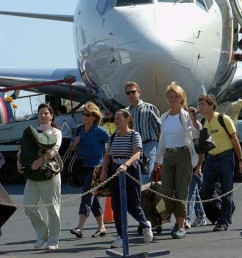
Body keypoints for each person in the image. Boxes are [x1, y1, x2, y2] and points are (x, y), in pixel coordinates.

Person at [153, 82, 200, 239]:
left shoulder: (185, 115)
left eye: (176, 97)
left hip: (184, 155)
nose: (173, 99)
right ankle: (171, 218)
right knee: (166, 191)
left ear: (182, 98)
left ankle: (180, 226)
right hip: (168, 155)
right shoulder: (164, 117)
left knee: (181, 192)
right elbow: (162, 141)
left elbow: (196, 133)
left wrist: (194, 119)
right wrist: (157, 161)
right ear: (167, 99)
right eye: (170, 96)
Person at [100, 109, 152, 248]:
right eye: (115, 118)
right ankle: (121, 236)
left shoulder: (134, 135)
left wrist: (126, 164)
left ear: (127, 119)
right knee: (116, 206)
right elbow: (107, 156)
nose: (116, 121)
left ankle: (145, 224)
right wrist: (104, 170)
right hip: (115, 171)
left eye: (118, 118)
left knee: (132, 204)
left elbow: (137, 154)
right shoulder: (113, 136)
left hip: (131, 171)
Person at [198, 94, 242, 231]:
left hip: (226, 157)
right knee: (206, 190)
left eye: (203, 104)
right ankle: (226, 210)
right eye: (200, 104)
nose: (200, 107)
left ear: (211, 106)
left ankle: (223, 221)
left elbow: (235, 139)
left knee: (226, 190)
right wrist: (199, 165)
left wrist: (240, 160)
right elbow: (203, 144)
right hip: (211, 158)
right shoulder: (204, 122)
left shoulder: (223, 119)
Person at [18, 103, 62, 250]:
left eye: (46, 113)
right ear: (37, 116)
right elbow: (23, 149)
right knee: (29, 206)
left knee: (52, 208)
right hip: (32, 175)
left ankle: (53, 240)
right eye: (40, 113)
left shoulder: (55, 132)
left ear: (51, 115)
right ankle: (42, 233)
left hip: (49, 174)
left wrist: (41, 160)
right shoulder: (31, 131)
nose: (43, 115)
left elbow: (54, 149)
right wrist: (19, 161)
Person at [69, 102, 110, 239]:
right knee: (93, 198)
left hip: (95, 168)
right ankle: (102, 227)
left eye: (87, 114)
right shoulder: (79, 129)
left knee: (87, 196)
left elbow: (110, 144)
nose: (84, 117)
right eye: (83, 114)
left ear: (94, 117)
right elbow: (71, 147)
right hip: (82, 167)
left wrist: (106, 164)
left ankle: (80, 228)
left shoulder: (99, 131)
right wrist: (75, 143)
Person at [125, 81, 162, 184]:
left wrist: (162, 151)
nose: (131, 95)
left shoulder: (150, 108)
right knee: (134, 176)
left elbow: (159, 130)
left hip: (149, 145)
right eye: (128, 93)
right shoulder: (126, 112)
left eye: (133, 92)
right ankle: (138, 199)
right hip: (133, 147)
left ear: (139, 92)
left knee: (146, 175)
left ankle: (144, 199)